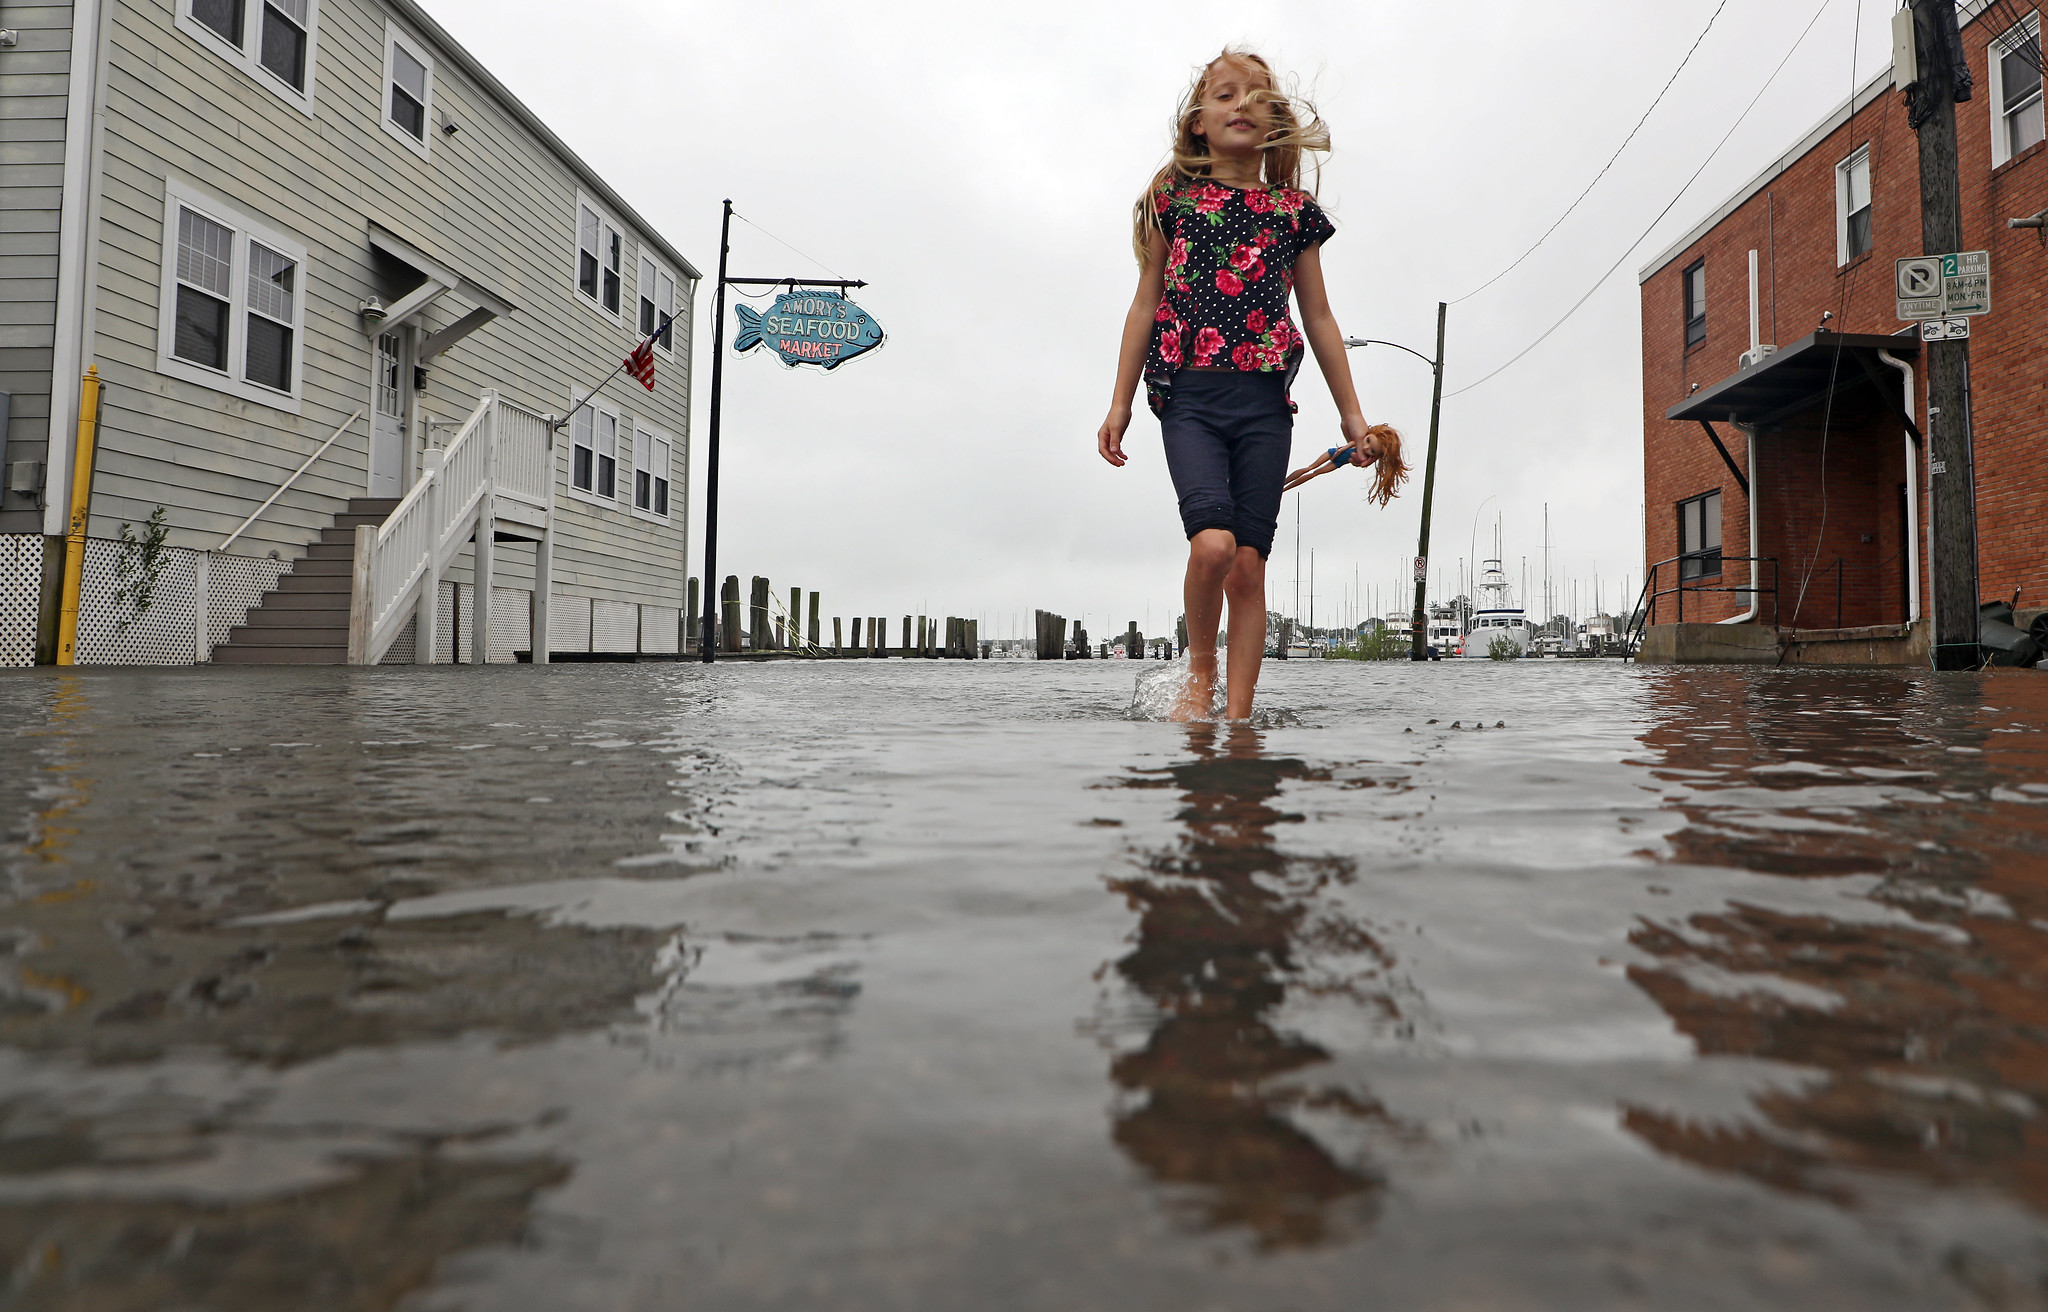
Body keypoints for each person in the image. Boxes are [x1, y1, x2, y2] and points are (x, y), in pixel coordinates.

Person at [1096, 48, 1407, 721]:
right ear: (1199, 123)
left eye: (1257, 95)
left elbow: (1319, 318)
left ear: (1274, 124)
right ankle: (1200, 680)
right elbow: (1144, 305)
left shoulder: (1294, 213)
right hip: (1189, 401)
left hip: (1266, 406)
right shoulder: (1171, 200)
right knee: (1211, 546)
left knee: (1248, 567)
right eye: (1225, 93)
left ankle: (1239, 725)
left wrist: (1355, 420)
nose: (1242, 103)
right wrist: (1120, 403)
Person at [1281, 425, 1406, 496]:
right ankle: (1284, 482)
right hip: (1334, 454)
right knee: (1310, 468)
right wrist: (1338, 453)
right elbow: (1344, 448)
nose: (1366, 447)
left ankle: (1284, 489)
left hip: (1338, 463)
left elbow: (1359, 463)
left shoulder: (1365, 458)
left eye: (1372, 450)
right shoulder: (1357, 442)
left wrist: (1368, 459)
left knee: (1315, 473)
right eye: (1368, 440)